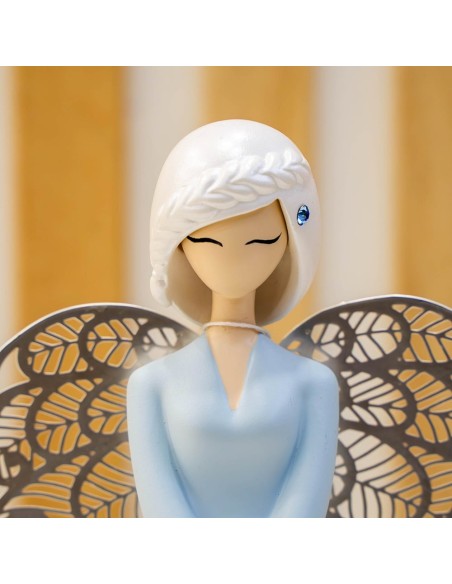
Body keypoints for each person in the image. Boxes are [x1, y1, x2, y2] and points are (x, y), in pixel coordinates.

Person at [126, 119, 339, 517]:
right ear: (180, 247)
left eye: (262, 240)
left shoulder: (314, 384)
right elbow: (162, 510)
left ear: (289, 244)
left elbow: (304, 508)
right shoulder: (151, 385)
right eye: (207, 240)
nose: (233, 257)